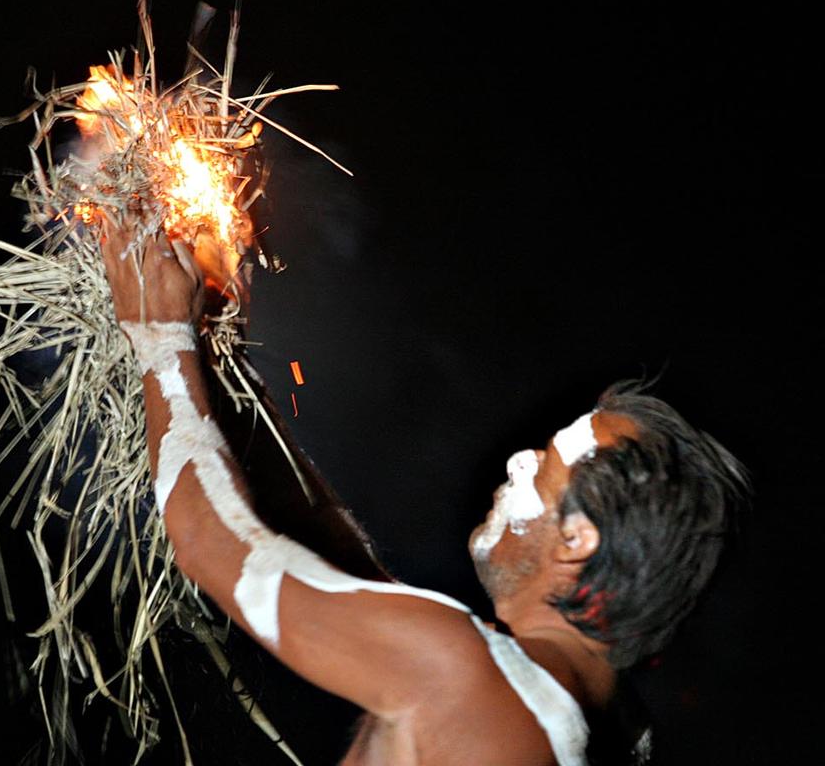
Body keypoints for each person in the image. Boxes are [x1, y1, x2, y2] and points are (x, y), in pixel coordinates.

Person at [100, 225, 748, 765]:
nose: (521, 459)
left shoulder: (463, 674)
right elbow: (333, 548)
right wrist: (225, 379)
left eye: (545, 464)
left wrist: (161, 338)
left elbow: (210, 546)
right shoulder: (611, 730)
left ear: (578, 538)